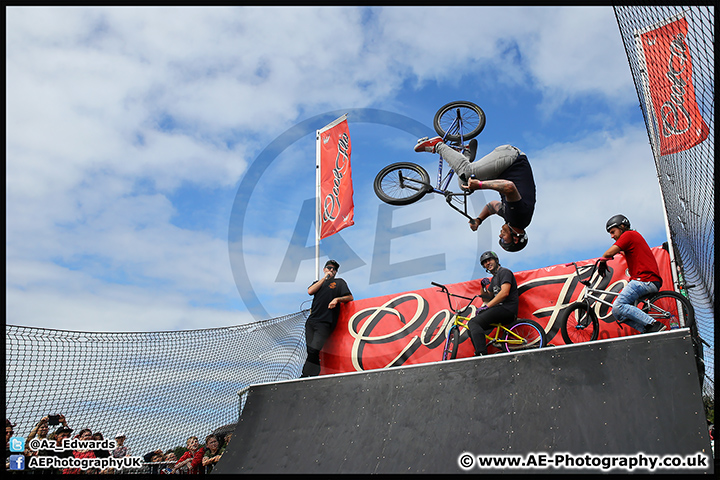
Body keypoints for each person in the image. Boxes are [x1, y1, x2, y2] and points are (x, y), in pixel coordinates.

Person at [415, 137, 536, 252]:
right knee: (466, 172)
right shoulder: (519, 217)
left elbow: (492, 206)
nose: (500, 235)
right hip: (511, 160)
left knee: (465, 185)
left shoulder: (512, 219)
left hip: (506, 165)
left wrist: (479, 220)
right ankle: (437, 145)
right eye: (503, 239)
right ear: (515, 238)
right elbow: (509, 187)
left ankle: (465, 153)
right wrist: (479, 185)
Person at [598, 214, 666, 334]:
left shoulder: (628, 235)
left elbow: (609, 253)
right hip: (648, 280)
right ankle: (647, 329)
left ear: (622, 227)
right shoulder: (632, 238)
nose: (612, 236)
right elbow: (624, 252)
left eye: (613, 232)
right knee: (618, 314)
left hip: (644, 280)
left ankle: (653, 323)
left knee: (618, 306)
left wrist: (603, 259)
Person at [300, 260, 354, 377]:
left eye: (334, 269)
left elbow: (350, 297)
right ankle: (313, 373)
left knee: (314, 349)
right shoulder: (318, 283)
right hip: (312, 320)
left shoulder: (339, 283)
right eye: (329, 268)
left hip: (325, 322)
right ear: (324, 269)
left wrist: (337, 299)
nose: (331, 270)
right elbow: (310, 291)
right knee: (310, 349)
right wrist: (324, 278)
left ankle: (306, 374)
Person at [467, 251, 519, 356]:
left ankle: (482, 354)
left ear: (496, 260)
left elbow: (504, 293)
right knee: (472, 328)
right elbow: (486, 297)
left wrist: (487, 307)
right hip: (499, 310)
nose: (488, 263)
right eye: (485, 262)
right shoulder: (494, 278)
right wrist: (483, 287)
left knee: (473, 323)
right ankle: (480, 351)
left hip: (507, 309)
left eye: (489, 260)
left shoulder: (504, 272)